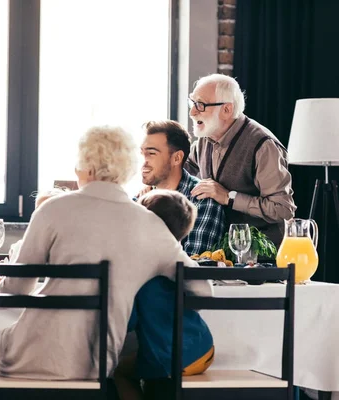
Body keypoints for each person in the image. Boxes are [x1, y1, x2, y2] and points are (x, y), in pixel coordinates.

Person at [0, 126, 212, 400]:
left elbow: (16, 289)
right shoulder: (151, 224)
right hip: (95, 364)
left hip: (29, 352)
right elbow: (202, 289)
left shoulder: (53, 209)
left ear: (87, 167)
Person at [115, 189, 214, 400]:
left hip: (168, 359)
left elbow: (128, 321)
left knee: (119, 372)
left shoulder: (140, 273)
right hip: (204, 347)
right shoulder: (176, 265)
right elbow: (204, 292)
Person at [185, 73, 296, 247]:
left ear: (227, 110)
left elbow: (282, 210)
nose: (192, 112)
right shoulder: (206, 137)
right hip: (221, 251)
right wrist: (155, 183)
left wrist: (228, 197)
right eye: (192, 102)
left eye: (201, 105)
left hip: (262, 258)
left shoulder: (264, 146)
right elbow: (184, 169)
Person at [137, 120, 226, 255]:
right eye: (142, 153)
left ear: (177, 158)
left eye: (151, 153)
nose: (143, 162)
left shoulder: (202, 200)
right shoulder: (140, 201)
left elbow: (191, 267)